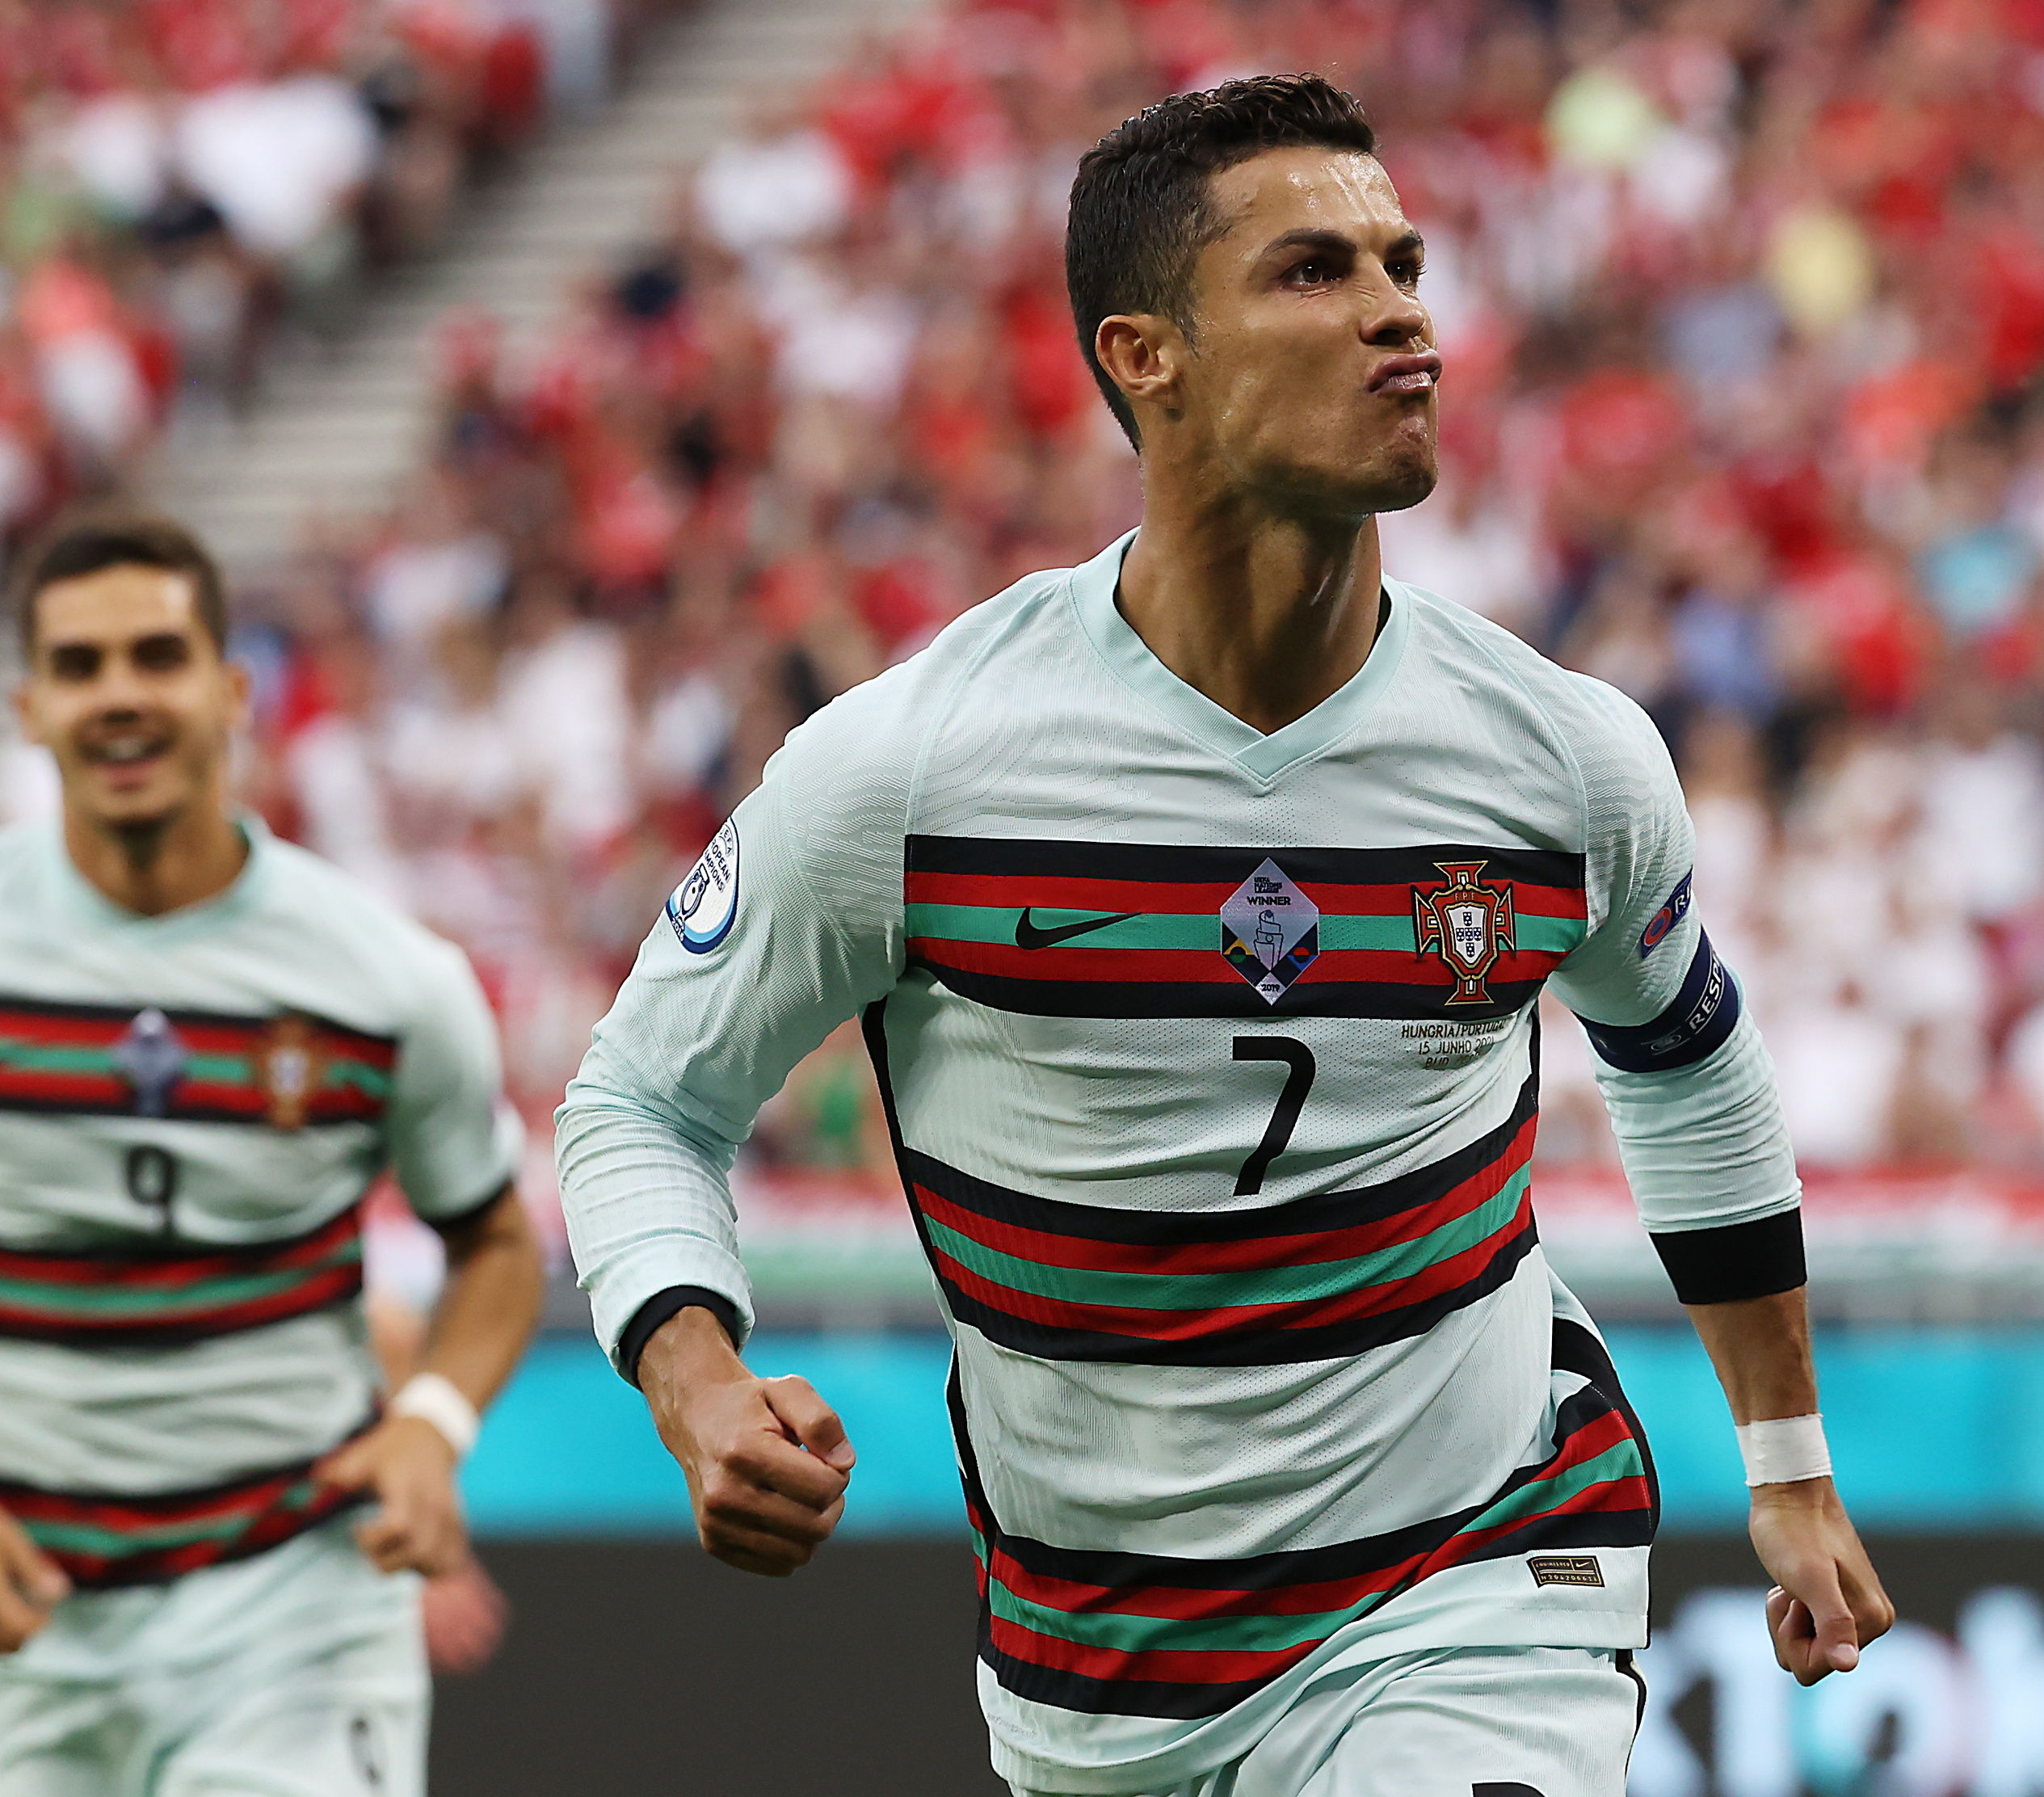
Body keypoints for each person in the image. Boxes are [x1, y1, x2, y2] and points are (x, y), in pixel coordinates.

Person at [558, 75, 1890, 1797]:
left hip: (1477, 1570)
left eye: (1405, 263)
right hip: (1098, 1677)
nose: (1402, 309)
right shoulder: (916, 770)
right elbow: (639, 1101)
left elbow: (1689, 1061)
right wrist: (694, 1375)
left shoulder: (1558, 758)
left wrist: (1784, 1461)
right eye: (1314, 271)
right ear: (1145, 355)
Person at [0, 511, 542, 1796]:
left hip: (295, 1602)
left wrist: (432, 1421)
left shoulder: (386, 980)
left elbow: (496, 1242)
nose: (120, 696)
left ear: (231, 688)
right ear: (31, 705)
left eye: (155, 656)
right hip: (30, 1610)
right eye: (80, 667)